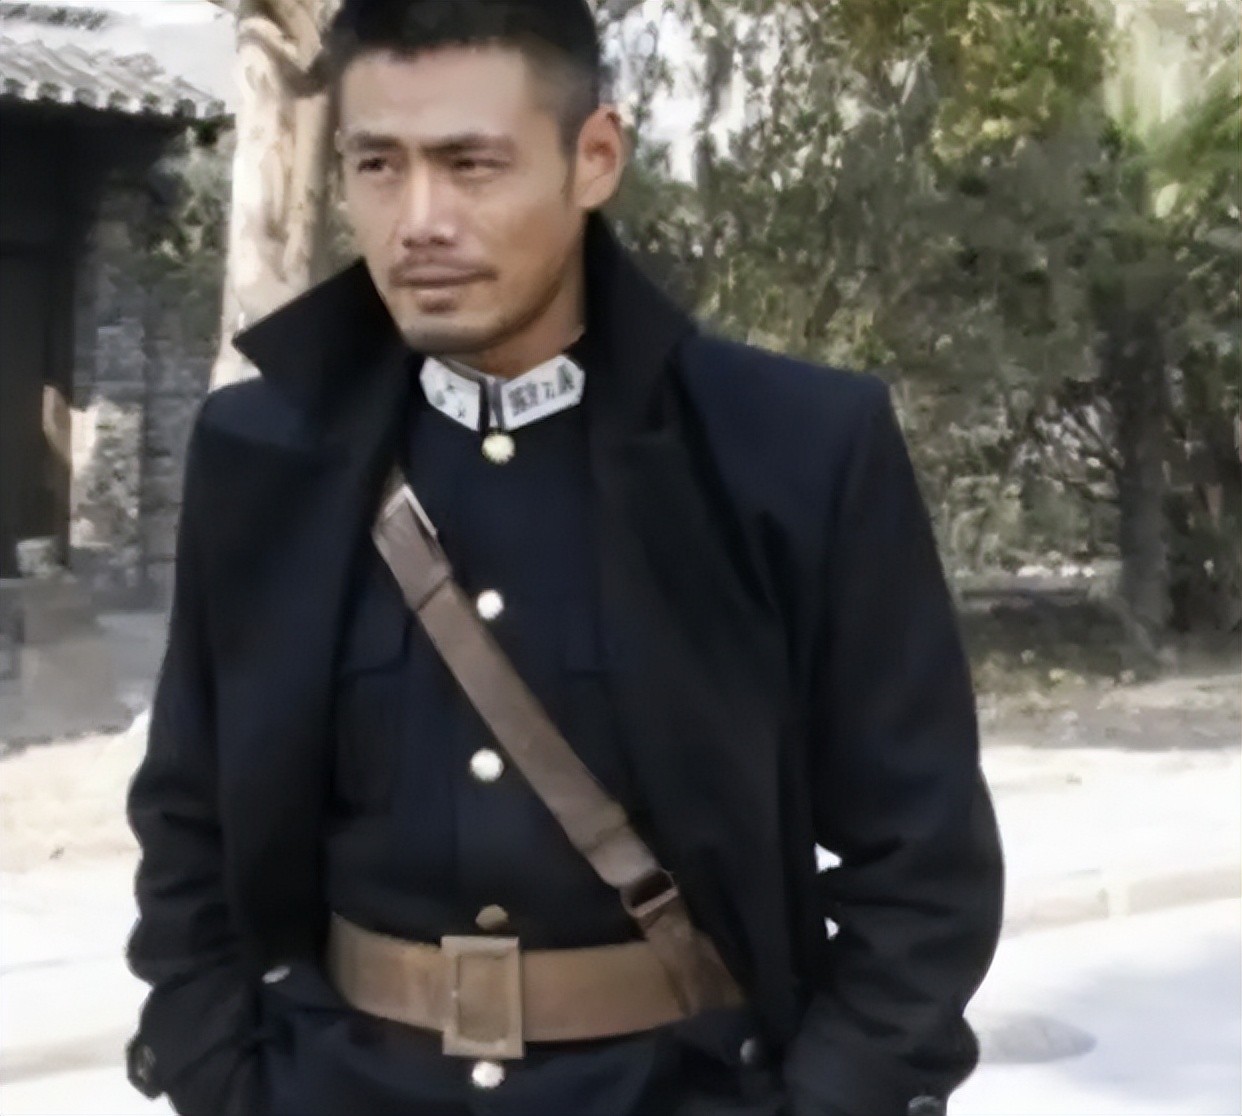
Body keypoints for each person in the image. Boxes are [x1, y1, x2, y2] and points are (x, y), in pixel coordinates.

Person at [124, 1, 1004, 1114]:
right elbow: (189, 821)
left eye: (471, 164)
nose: (418, 220)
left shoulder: (794, 450)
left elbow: (922, 864)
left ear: (594, 159)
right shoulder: (262, 457)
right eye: (378, 165)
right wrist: (220, 1076)